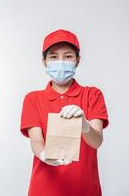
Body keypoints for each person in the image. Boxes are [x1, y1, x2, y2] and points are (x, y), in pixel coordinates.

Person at [20, 29, 109, 196]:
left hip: (85, 189)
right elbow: (36, 140)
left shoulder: (93, 95)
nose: (61, 61)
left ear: (77, 60)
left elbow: (97, 142)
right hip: (43, 189)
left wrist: (85, 125)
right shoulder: (33, 99)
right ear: (44, 62)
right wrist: (44, 154)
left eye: (68, 56)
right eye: (53, 57)